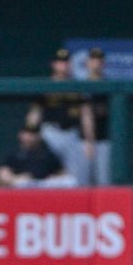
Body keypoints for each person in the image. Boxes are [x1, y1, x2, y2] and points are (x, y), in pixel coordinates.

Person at [25, 48, 95, 186]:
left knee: (77, 178)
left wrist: (89, 141)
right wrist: (30, 133)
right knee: (45, 174)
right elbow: (35, 112)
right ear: (54, 64)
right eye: (60, 62)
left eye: (66, 62)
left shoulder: (78, 87)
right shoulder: (45, 86)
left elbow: (86, 115)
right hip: (50, 133)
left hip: (72, 134)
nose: (63, 65)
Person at [0, 125, 73, 187]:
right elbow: (2, 172)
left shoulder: (48, 154)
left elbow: (62, 172)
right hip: (21, 186)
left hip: (43, 187)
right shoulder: (15, 155)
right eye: (26, 134)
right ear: (20, 135)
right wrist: (14, 179)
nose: (28, 138)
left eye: (32, 134)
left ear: (38, 136)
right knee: (22, 183)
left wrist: (53, 178)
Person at [82, 47, 112, 186]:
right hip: (82, 141)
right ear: (88, 62)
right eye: (93, 60)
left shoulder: (109, 87)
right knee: (82, 183)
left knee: (104, 181)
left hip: (104, 139)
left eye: (99, 60)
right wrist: (89, 140)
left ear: (103, 63)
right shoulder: (80, 86)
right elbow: (84, 113)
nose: (96, 63)